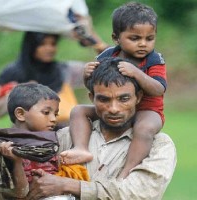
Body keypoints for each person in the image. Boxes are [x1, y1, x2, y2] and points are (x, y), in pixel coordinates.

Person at [26, 57, 176, 200]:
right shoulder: (67, 136)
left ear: (138, 97)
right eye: (104, 99)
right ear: (92, 98)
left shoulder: (159, 145)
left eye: (124, 99)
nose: (114, 109)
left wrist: (68, 185)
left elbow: (136, 193)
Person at [60, 2, 167, 179]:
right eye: (135, 38)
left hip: (147, 110)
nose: (143, 44)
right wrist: (88, 76)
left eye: (149, 39)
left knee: (145, 129)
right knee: (78, 110)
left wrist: (137, 73)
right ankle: (81, 148)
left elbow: (159, 89)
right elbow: (97, 89)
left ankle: (128, 170)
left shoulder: (154, 59)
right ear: (116, 38)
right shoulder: (107, 56)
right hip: (112, 105)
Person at [0, 82, 89, 200]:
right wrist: (16, 162)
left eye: (55, 114)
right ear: (21, 114)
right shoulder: (7, 149)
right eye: (46, 113)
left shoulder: (51, 142)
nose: (54, 119)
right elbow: (20, 193)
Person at [0, 31, 81, 128]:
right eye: (42, 44)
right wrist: (22, 93)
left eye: (53, 44)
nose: (49, 48)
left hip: (64, 130)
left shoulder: (63, 70)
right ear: (31, 46)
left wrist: (92, 41)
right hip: (27, 136)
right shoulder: (13, 72)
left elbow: (94, 71)